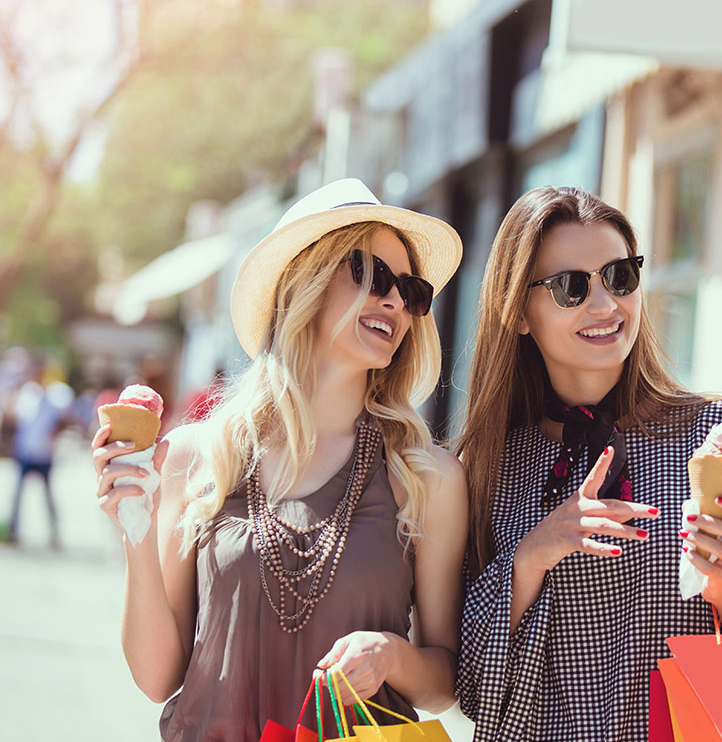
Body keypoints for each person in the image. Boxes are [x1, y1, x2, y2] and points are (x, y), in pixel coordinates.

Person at [92, 179, 468, 741]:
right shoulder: (197, 455)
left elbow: (444, 680)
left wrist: (391, 657)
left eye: (411, 291)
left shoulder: (427, 477)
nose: (394, 302)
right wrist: (136, 530)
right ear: (304, 284)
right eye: (372, 275)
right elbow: (155, 677)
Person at [455, 186, 722, 741]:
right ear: (520, 312)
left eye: (619, 276)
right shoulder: (488, 467)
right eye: (571, 287)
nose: (605, 306)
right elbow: (472, 690)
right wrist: (530, 558)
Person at [7, 360, 73, 547]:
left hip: (45, 453)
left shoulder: (56, 395)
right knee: (18, 495)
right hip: (25, 452)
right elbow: (15, 418)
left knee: (48, 496)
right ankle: (13, 531)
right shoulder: (25, 393)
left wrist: (55, 431)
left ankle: (54, 533)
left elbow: (65, 420)